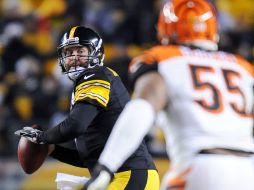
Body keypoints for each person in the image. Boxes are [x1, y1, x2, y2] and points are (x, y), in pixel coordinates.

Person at [83, 0, 254, 190]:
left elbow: (143, 108)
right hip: (248, 169)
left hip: (199, 167)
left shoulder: (164, 58)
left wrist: (107, 164)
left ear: (166, 28)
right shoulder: (242, 67)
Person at [14, 26, 160, 190]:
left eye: (80, 51)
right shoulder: (86, 84)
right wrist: (53, 149)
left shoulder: (95, 75)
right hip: (124, 176)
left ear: (96, 53)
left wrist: (43, 137)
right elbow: (90, 157)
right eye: (69, 53)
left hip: (130, 175)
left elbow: (76, 124)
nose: (74, 57)